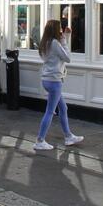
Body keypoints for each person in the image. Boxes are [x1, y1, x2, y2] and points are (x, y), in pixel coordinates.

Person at [33, 19, 84, 151]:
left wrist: (64, 37)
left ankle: (68, 136)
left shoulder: (45, 43)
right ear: (55, 29)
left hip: (47, 79)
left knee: (64, 108)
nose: (61, 30)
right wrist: (65, 40)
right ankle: (40, 140)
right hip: (54, 81)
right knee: (49, 112)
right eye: (60, 28)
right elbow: (67, 58)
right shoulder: (55, 43)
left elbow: (56, 56)